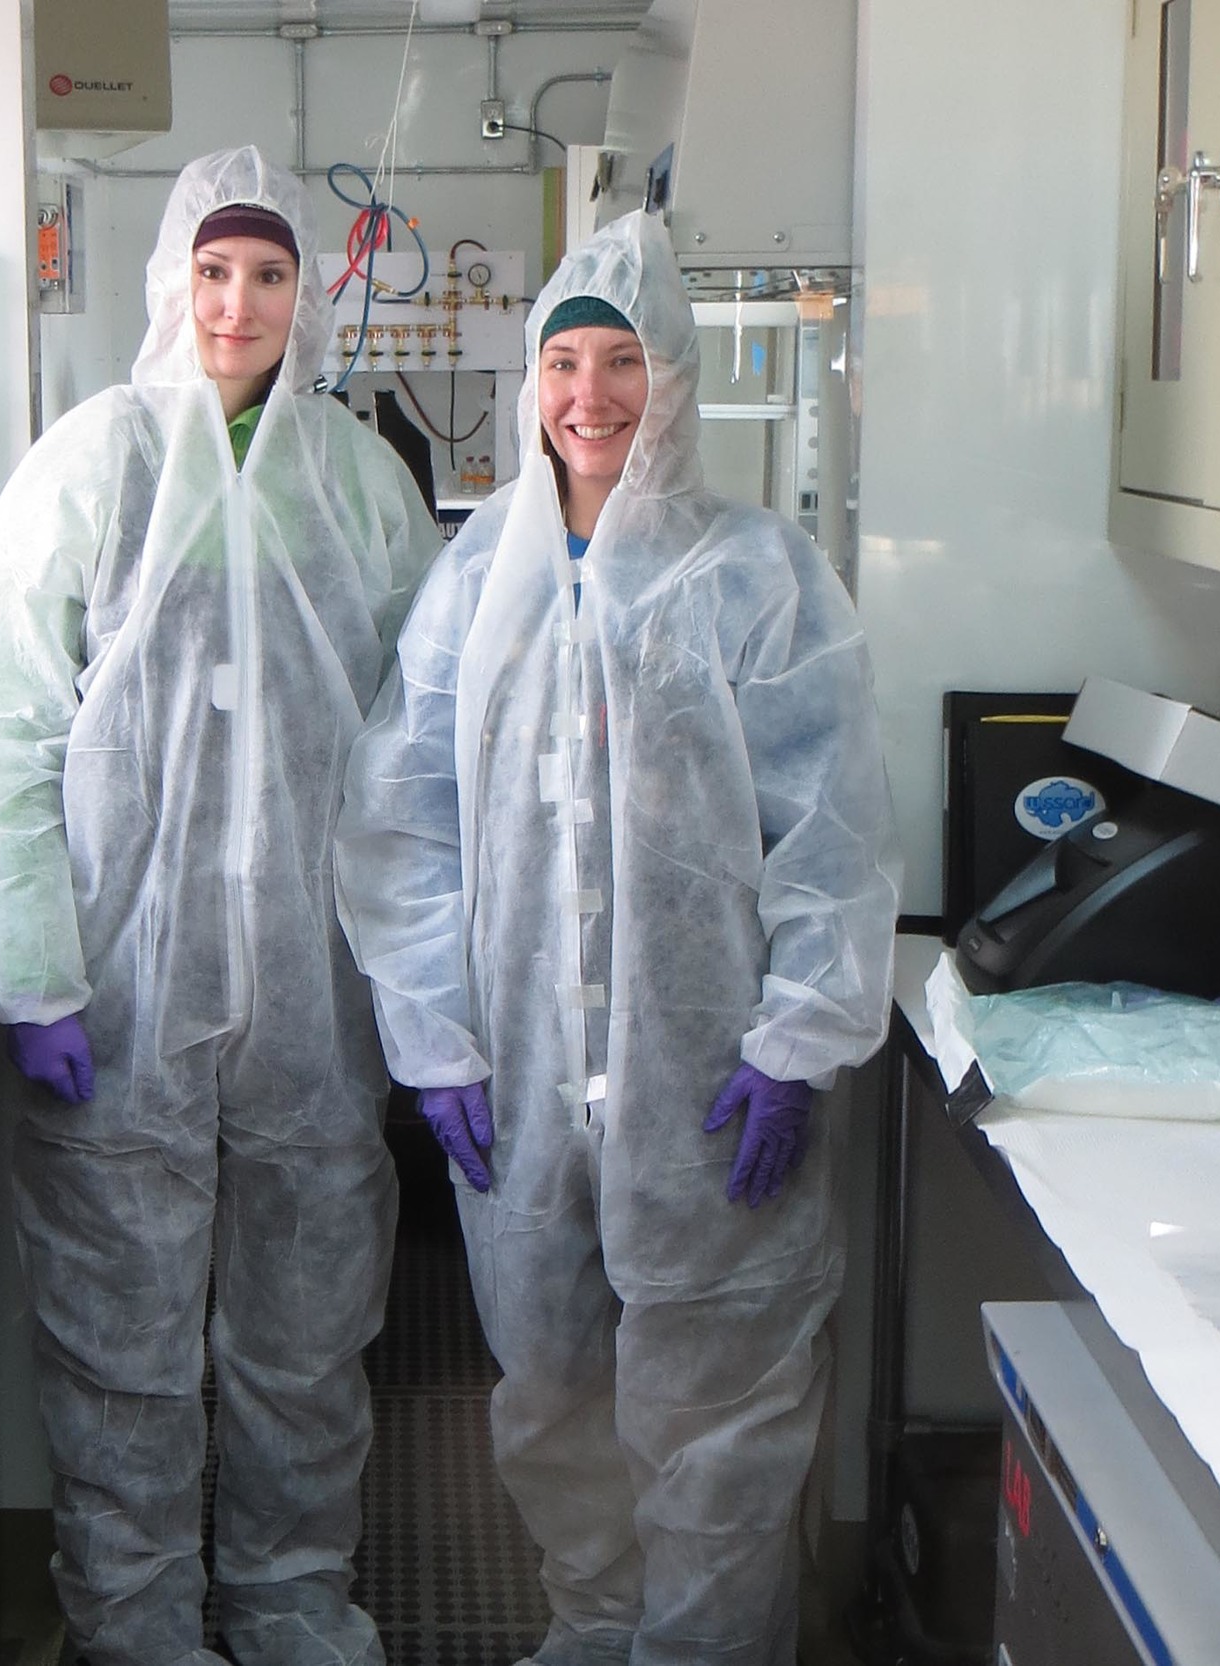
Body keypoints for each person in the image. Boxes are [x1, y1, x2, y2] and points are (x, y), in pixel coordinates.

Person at [335, 210, 899, 1665]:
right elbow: (401, 822)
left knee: (721, 1438)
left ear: (677, 378)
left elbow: (830, 830)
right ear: (532, 385)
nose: (591, 396)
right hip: (525, 1098)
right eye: (564, 363)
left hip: (705, 1098)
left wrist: (797, 1037)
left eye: (624, 360)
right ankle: (592, 1636)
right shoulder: (474, 588)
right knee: (557, 1404)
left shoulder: (758, 576)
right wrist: (434, 1031)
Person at [0, 146, 441, 1666]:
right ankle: (138, 1623)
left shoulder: (356, 480)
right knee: (119, 1339)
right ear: (173, 282)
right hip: (122, 983)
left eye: (269, 273)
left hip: (313, 989)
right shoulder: (96, 465)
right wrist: (33, 969)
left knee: (308, 1322)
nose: (239, 301)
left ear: (305, 297)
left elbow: (424, 740)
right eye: (215, 271)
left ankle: (288, 1600)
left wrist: (418, 981)